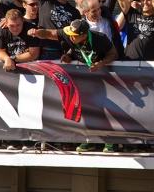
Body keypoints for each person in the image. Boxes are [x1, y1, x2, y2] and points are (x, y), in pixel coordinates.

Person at [28, 19, 117, 153]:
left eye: (74, 36)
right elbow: (48, 34)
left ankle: (109, 141)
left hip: (102, 77)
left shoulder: (100, 39)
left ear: (83, 35)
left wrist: (101, 63)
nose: (70, 37)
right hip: (83, 77)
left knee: (103, 108)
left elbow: (113, 54)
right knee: (84, 108)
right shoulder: (69, 34)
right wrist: (36, 32)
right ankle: (89, 140)